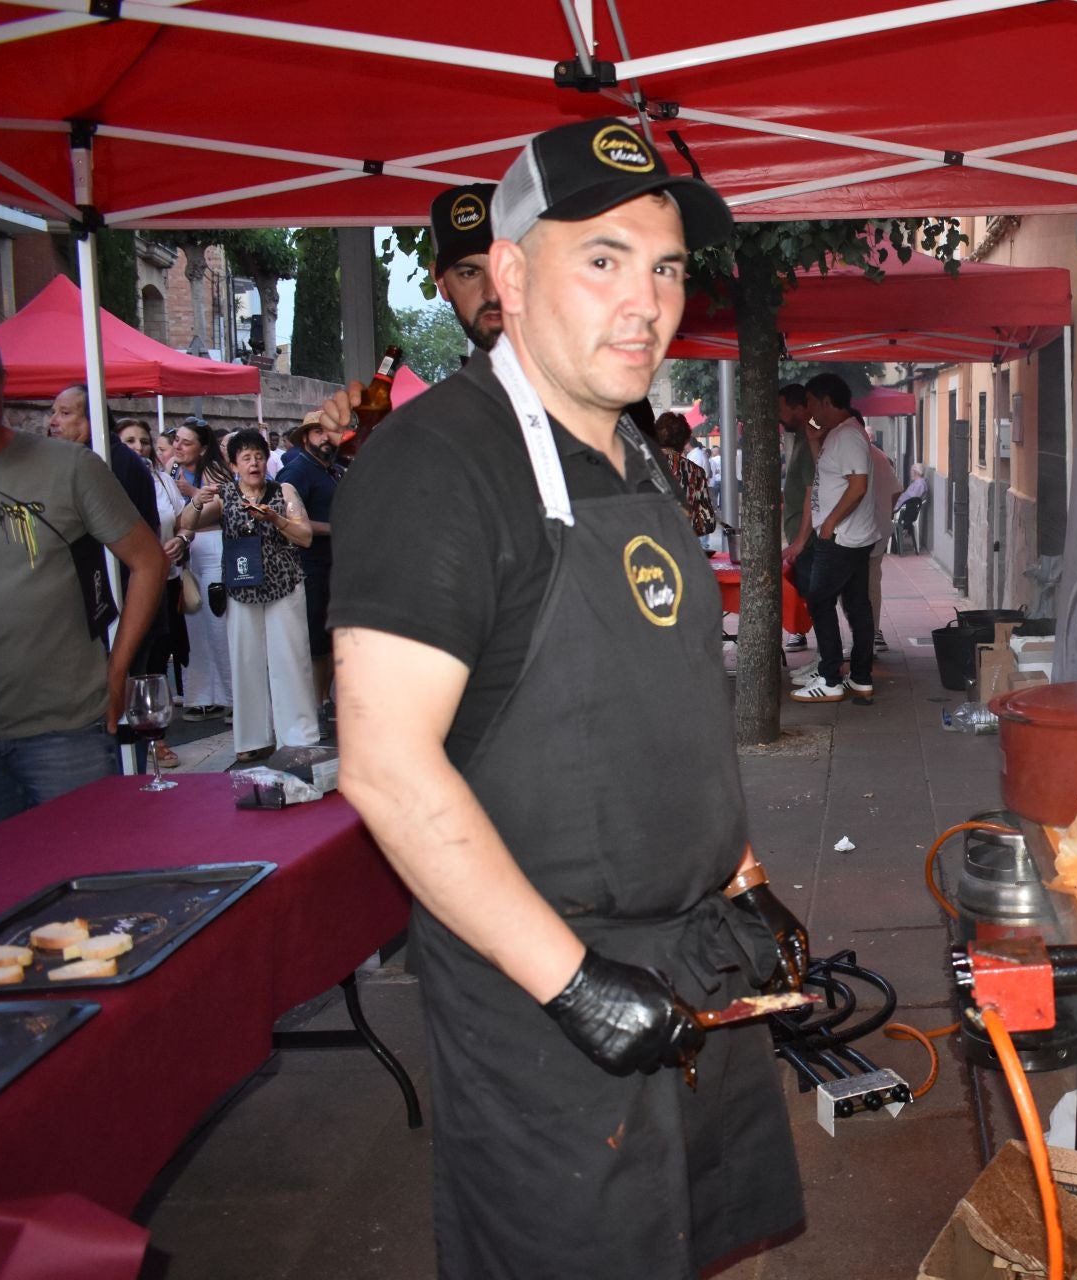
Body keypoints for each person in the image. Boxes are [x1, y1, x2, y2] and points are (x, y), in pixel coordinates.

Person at [328, 117, 807, 1277]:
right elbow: (387, 765)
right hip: (544, 993)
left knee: (701, 1241)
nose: (645, 301)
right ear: (509, 271)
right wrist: (574, 982)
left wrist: (745, 880)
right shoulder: (440, 463)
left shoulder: (632, 451)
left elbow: (671, 702)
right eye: (602, 259)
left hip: (697, 955)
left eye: (667, 267)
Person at [0, 324, 167, 834]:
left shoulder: (69, 468)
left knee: (91, 895)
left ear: (3, 381)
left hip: (66, 730)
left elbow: (148, 561)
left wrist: (118, 669)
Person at [178, 428, 321, 763]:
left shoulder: (283, 490)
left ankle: (298, 736)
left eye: (258, 456)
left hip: (284, 584)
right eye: (246, 458)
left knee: (291, 659)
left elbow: (305, 536)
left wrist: (276, 519)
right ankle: (253, 738)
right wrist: (195, 503)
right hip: (242, 587)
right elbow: (186, 523)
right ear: (234, 465)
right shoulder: (225, 496)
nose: (254, 463)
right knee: (245, 660)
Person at [317, 182, 501, 435]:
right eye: (470, 273)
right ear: (441, 282)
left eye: (505, 267)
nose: (492, 292)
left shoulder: (569, 385)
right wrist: (363, 449)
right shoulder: (444, 415)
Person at [790, 373, 880, 703]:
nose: (809, 409)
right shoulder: (839, 435)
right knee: (856, 606)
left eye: (812, 402)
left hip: (842, 538)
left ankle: (830, 678)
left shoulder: (848, 437)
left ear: (826, 402)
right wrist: (815, 441)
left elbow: (858, 487)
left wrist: (828, 524)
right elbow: (828, 476)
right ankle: (859, 677)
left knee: (820, 601)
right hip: (850, 536)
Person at [115, 417, 188, 769]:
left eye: (144, 441)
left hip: (166, 579)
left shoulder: (161, 480)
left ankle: (157, 739)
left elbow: (181, 519)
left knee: (157, 661)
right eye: (130, 441)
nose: (140, 447)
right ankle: (140, 742)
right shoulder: (111, 480)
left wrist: (182, 539)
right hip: (127, 584)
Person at [275, 410, 344, 710]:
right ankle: (316, 706)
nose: (326, 437)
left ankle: (324, 701)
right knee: (315, 641)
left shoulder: (332, 469)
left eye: (330, 431)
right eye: (319, 432)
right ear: (305, 438)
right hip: (309, 565)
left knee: (330, 637)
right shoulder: (297, 471)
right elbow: (289, 519)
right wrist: (337, 528)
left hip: (333, 565)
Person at [167, 417, 233, 721]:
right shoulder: (171, 471)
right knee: (193, 626)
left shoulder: (213, 471)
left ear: (203, 447)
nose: (178, 446)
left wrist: (189, 499)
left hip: (211, 551)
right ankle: (202, 696)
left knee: (219, 625)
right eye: (176, 440)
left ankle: (233, 696)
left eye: (186, 441)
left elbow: (215, 508)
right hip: (186, 555)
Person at [46, 383, 158, 535]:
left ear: (92, 419)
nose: (53, 421)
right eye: (53, 412)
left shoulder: (108, 460)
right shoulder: (74, 456)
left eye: (65, 413)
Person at [774, 384, 815, 650]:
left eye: (781, 409)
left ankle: (827, 670)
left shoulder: (810, 438)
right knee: (813, 599)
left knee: (817, 602)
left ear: (799, 408)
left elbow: (813, 492)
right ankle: (824, 666)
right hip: (804, 539)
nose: (778, 416)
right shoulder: (800, 437)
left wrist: (800, 541)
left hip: (810, 542)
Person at [860, 416, 901, 653]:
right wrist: (886, 512)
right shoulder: (881, 457)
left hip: (857, 534)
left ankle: (868, 636)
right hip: (878, 530)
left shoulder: (866, 456)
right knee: (872, 583)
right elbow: (896, 492)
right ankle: (873, 632)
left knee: (857, 587)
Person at [652, 410, 717, 538]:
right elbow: (708, 522)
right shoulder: (695, 472)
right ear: (685, 440)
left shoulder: (641, 465)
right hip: (683, 547)